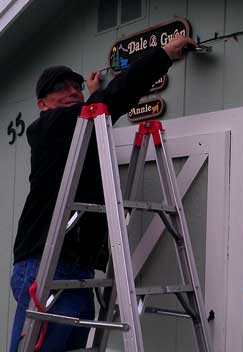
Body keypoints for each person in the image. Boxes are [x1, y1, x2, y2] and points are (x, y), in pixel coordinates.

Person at [9, 35, 197, 352]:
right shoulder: (49, 126)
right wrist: (163, 54)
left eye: (76, 87)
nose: (71, 92)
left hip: (76, 269)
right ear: (42, 105)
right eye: (60, 89)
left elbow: (95, 111)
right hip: (47, 265)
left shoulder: (75, 125)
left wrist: (95, 94)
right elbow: (108, 103)